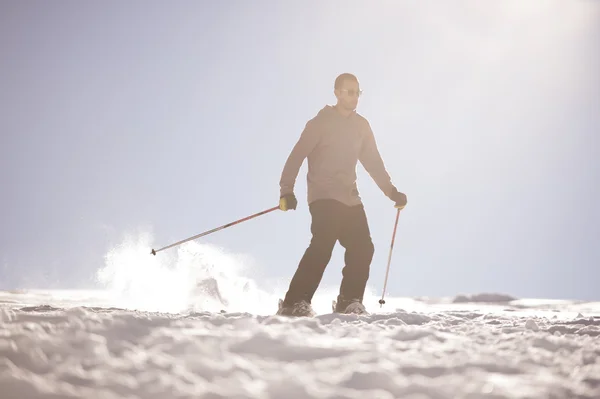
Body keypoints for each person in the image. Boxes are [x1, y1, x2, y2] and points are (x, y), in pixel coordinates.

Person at [276, 73, 407, 317]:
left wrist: (391, 191)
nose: (354, 97)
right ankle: (294, 302)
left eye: (357, 92)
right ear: (336, 92)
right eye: (348, 91)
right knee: (322, 244)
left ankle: (349, 300)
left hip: (350, 198)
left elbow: (373, 162)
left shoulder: (361, 126)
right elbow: (296, 156)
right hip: (324, 195)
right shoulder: (320, 123)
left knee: (363, 248)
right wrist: (287, 190)